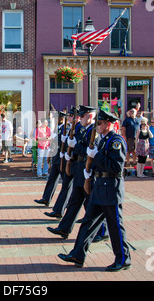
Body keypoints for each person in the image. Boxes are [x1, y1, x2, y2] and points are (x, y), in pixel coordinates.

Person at [58, 110, 131, 272]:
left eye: (100, 123)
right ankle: (78, 254)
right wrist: (89, 171)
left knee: (115, 226)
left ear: (109, 125)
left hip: (111, 189)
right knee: (87, 222)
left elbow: (116, 167)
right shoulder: (104, 140)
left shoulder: (115, 141)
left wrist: (96, 156)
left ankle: (123, 258)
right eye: (97, 123)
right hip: (100, 187)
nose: (97, 126)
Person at [47, 106, 98, 240]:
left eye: (82, 116)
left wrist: (75, 147)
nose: (79, 118)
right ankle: (64, 228)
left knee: (92, 204)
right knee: (74, 201)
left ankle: (102, 232)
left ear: (90, 117)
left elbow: (90, 150)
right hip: (79, 167)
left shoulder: (93, 131)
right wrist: (70, 154)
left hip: (87, 170)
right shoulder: (84, 130)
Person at [34, 111, 69, 206]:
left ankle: (67, 203)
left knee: (66, 182)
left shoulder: (67, 128)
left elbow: (66, 143)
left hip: (62, 157)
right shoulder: (56, 128)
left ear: (62, 118)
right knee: (52, 178)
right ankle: (46, 198)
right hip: (55, 156)